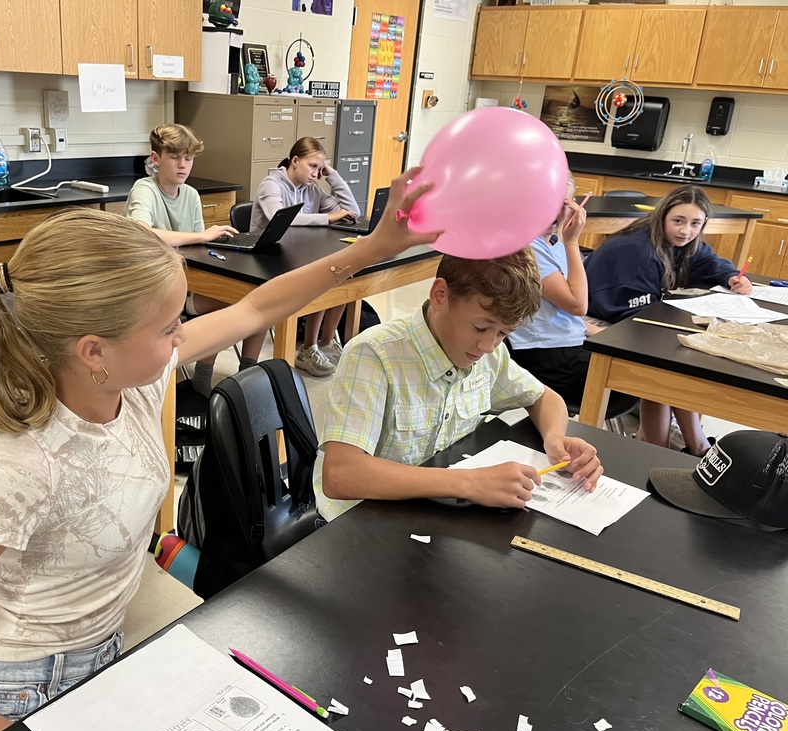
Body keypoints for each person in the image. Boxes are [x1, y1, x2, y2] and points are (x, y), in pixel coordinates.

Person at [0, 169, 439, 731]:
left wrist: (374, 248)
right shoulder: (22, 467)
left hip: (103, 656)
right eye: (167, 327)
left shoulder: (135, 385)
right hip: (11, 699)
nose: (181, 336)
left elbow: (258, 306)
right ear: (94, 351)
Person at [314, 248, 605, 521]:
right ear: (440, 295)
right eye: (481, 327)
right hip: (360, 522)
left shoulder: (487, 356)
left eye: (503, 333)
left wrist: (554, 439)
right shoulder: (375, 354)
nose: (489, 345)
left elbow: (544, 397)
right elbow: (342, 474)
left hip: (430, 514)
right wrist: (468, 483)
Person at [583, 185, 752, 456]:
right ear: (662, 216)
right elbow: (630, 314)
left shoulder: (681, 243)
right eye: (678, 221)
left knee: (680, 357)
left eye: (695, 223)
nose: (686, 231)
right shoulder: (636, 250)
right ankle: (662, 449)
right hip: (599, 319)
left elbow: (708, 262)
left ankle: (690, 446)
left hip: (632, 316)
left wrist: (731, 276)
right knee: (667, 362)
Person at [126, 123, 265, 396]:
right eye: (175, 157)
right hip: (160, 290)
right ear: (156, 159)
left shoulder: (189, 194)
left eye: (188, 158)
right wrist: (200, 237)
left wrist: (212, 241)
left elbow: (200, 243)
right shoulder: (145, 189)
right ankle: (203, 380)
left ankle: (248, 374)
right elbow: (141, 233)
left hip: (193, 280)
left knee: (258, 298)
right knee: (230, 306)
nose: (183, 165)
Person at [507, 178, 638, 414]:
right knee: (645, 376)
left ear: (574, 206)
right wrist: (573, 242)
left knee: (651, 362)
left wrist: (607, 335)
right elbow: (577, 305)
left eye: (561, 203)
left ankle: (685, 443)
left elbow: (562, 315)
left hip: (565, 343)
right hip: (546, 355)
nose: (551, 211)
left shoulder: (553, 241)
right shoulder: (529, 246)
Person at [250, 137, 361, 377]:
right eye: (312, 166)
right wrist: (327, 218)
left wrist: (332, 175)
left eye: (319, 168)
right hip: (267, 259)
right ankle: (308, 348)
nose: (315, 173)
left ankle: (325, 341)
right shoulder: (272, 184)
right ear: (295, 160)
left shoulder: (312, 190)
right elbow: (277, 217)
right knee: (323, 276)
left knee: (343, 272)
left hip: (299, 254)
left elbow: (353, 211)